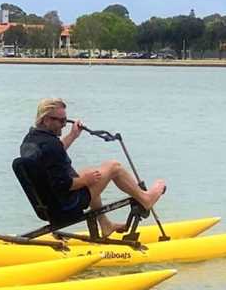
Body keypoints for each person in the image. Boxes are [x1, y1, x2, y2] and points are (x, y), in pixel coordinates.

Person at [20, 98, 166, 237]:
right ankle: (145, 199)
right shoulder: (52, 145)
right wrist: (85, 181)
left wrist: (73, 135)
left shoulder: (31, 140)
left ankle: (105, 224)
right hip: (67, 206)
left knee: (90, 172)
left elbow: (51, 157)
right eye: (61, 120)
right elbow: (62, 184)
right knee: (114, 167)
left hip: (50, 206)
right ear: (46, 120)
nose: (64, 124)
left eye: (66, 120)